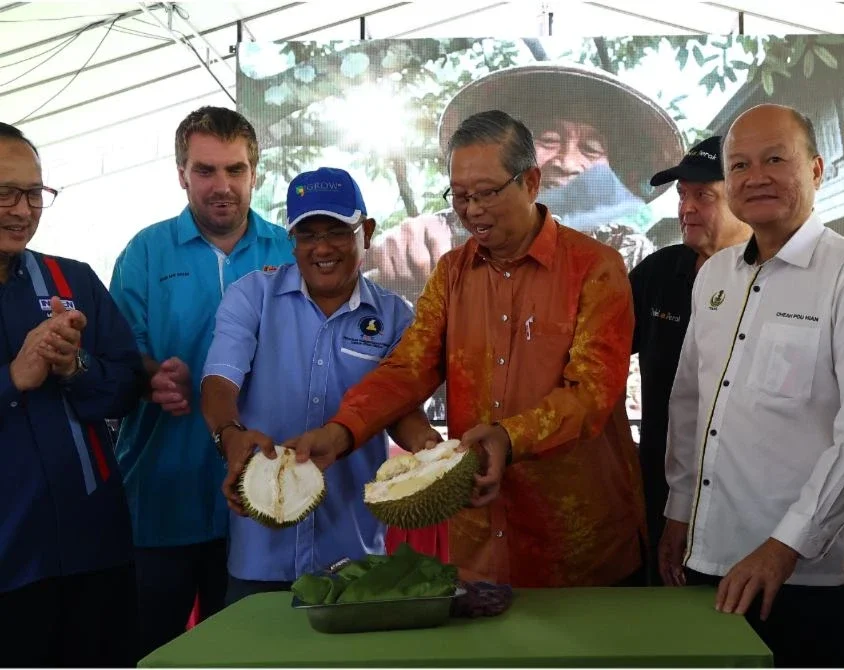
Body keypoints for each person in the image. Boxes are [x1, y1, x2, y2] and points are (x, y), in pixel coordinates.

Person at [272, 109, 645, 587]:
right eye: (461, 196)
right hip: (482, 546)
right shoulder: (451, 274)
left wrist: (509, 438)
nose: (472, 210)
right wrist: (343, 431)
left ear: (530, 182)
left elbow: (592, 393)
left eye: (486, 193)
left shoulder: (596, 268)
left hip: (581, 548)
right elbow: (407, 368)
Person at [661, 104, 844, 667]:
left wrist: (785, 546)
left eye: (776, 158)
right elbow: (690, 405)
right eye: (741, 164)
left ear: (817, 169)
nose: (756, 176)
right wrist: (680, 511)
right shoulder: (716, 278)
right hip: (711, 557)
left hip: (808, 573)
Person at [200, 167, 437, 603]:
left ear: (365, 231)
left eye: (337, 232)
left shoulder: (395, 317)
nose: (322, 248)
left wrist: (426, 446)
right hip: (260, 558)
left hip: (354, 558)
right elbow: (219, 378)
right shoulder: (252, 296)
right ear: (292, 240)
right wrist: (228, 433)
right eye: (307, 235)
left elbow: (398, 405)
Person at [109, 106, 294, 656]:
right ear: (181, 174)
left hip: (261, 504)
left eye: (235, 171)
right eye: (206, 170)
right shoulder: (145, 252)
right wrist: (151, 378)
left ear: (255, 174)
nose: (222, 186)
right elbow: (117, 360)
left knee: (245, 657)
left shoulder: (289, 252)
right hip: (161, 499)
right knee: (149, 653)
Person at [0, 122, 146, 666]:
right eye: (4, 193)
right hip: (10, 559)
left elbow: (128, 387)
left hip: (94, 548)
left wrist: (74, 365)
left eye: (33, 194)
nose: (21, 210)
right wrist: (13, 376)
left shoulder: (72, 280)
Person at [371, 63, 686, 304]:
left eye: (591, 149)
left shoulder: (627, 252)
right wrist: (402, 257)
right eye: (548, 139)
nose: (568, 162)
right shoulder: (458, 235)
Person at [629, 135, 751, 584]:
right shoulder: (658, 274)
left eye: (704, 194)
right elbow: (591, 353)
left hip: (750, 508)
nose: (686, 208)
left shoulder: (779, 279)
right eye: (682, 194)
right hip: (665, 500)